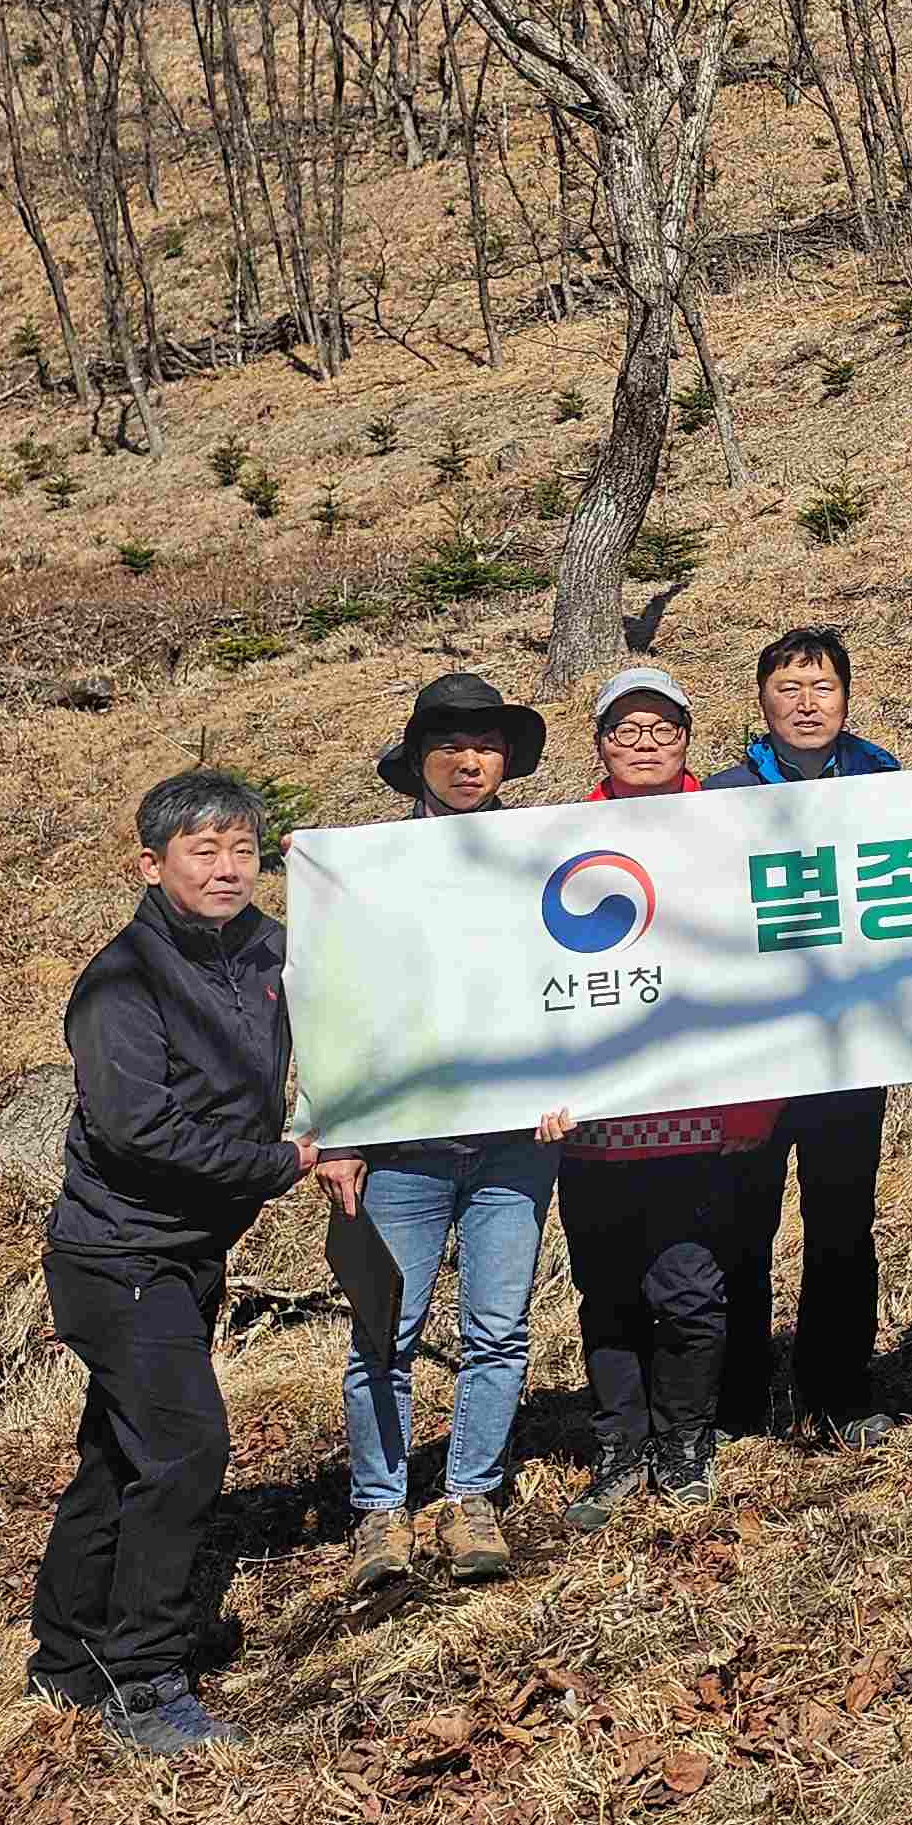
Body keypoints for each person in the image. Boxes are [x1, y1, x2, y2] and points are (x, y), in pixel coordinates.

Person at [30, 770, 336, 1755]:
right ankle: (146, 1682)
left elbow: (368, 997)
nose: (227, 867)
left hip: (185, 1250)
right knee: (184, 1448)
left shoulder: (264, 955)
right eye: (202, 850)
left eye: (243, 848)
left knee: (121, 1452)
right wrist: (281, 1161)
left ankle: (69, 1658)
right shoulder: (122, 982)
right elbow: (136, 1132)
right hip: (119, 1256)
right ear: (151, 864)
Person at [329, 675, 560, 1595]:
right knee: (384, 1327)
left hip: (515, 1138)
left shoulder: (541, 854)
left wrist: (567, 1086)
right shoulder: (369, 867)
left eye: (488, 747)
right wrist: (340, 1131)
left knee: (499, 1329)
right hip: (403, 1143)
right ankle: (379, 1509)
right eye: (451, 746)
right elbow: (339, 1002)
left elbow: (580, 975)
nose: (471, 762)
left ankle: (472, 1493)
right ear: (418, 759)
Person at [544, 666, 771, 1521]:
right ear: (600, 742)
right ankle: (618, 1446)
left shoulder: (726, 833)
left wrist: (752, 1103)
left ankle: (684, 1441)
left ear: (687, 739)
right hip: (594, 1128)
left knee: (689, 1292)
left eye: (661, 729)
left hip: (699, 1121)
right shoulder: (557, 837)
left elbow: (759, 969)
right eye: (625, 730)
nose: (643, 744)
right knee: (605, 1294)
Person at [713, 630, 897, 1445]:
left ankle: (839, 1390)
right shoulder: (719, 795)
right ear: (762, 702)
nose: (807, 702)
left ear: (847, 698)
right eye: (788, 687)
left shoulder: (886, 781)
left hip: (853, 1046)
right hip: (755, 1054)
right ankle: (737, 1400)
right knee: (741, 1225)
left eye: (822, 686)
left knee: (843, 1221)